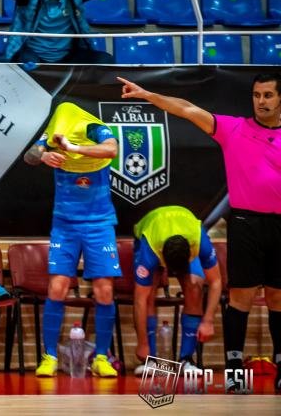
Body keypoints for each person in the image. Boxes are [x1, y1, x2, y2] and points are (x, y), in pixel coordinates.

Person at [119, 73, 281, 392]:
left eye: (268, 96)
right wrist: (148, 95)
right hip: (246, 223)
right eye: (256, 95)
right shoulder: (234, 128)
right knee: (240, 298)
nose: (260, 101)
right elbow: (186, 108)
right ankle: (235, 372)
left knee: (278, 298)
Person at [23, 102, 121, 378]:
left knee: (104, 290)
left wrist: (73, 149)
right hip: (64, 224)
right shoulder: (54, 130)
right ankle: (50, 357)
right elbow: (30, 156)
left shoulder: (94, 128)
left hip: (100, 224)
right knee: (57, 288)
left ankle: (102, 358)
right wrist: (42, 156)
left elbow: (112, 149)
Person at [132, 205, 222, 375]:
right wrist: (141, 343)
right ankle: (150, 359)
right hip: (150, 230)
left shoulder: (199, 240)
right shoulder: (150, 250)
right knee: (148, 293)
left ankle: (186, 359)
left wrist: (209, 320)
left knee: (194, 287)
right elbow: (139, 300)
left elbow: (216, 281)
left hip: (185, 230)